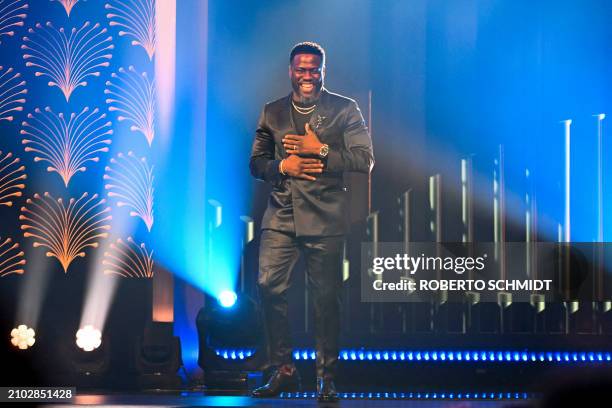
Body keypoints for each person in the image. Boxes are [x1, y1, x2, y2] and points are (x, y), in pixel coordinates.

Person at [249, 41, 374, 402]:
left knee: (326, 301)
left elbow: (364, 160)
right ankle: (284, 370)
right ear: (291, 71)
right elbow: (256, 163)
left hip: (325, 217)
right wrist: (281, 166)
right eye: (301, 69)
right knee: (269, 287)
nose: (308, 76)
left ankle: (326, 379)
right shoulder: (271, 112)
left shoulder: (344, 109)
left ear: (323, 70)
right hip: (281, 215)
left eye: (314, 69)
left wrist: (318, 149)